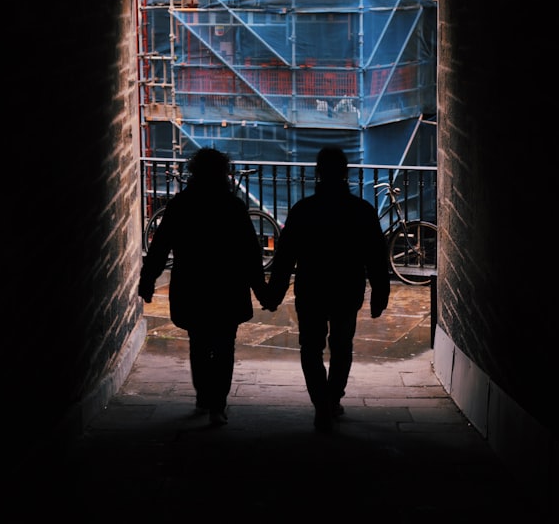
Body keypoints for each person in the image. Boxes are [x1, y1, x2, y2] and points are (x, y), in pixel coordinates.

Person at [138, 148, 269, 426]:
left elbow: (160, 247)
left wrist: (148, 280)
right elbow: (249, 253)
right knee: (224, 346)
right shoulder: (233, 207)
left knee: (198, 343)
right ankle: (217, 405)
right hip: (227, 286)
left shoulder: (180, 205)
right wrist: (261, 291)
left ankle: (203, 396)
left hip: (192, 283)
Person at [265, 146, 391, 432]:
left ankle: (321, 402)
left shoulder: (304, 211)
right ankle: (333, 398)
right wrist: (380, 292)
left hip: (312, 289)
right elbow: (375, 256)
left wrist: (274, 294)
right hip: (348, 288)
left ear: (318, 172)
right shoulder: (361, 210)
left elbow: (284, 258)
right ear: (345, 172)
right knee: (342, 345)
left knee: (310, 347)